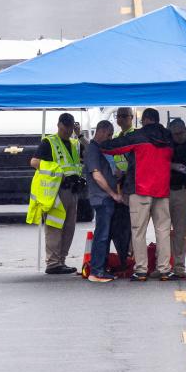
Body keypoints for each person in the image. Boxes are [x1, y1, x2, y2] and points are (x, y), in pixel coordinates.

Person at [101, 107, 174, 282]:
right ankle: (164, 269)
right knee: (163, 230)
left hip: (140, 189)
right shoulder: (168, 137)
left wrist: (100, 143)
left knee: (138, 230)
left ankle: (141, 270)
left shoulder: (139, 135)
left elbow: (114, 148)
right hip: (162, 190)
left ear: (145, 120)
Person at [29, 112, 83, 275]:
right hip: (56, 191)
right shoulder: (49, 142)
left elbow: (87, 154)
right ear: (58, 126)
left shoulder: (75, 143)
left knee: (69, 228)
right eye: (64, 127)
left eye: (69, 128)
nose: (66, 131)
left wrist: (79, 135)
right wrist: (56, 170)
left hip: (72, 190)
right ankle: (53, 262)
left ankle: (61, 261)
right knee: (54, 226)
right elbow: (34, 162)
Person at [84, 120, 123, 283]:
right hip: (102, 198)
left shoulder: (100, 150)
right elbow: (97, 175)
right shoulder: (92, 150)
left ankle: (101, 268)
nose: (109, 138)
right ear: (99, 131)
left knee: (105, 235)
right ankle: (97, 271)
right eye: (108, 134)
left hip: (105, 198)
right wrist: (113, 194)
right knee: (101, 235)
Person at [168, 117, 186, 276]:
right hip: (165, 191)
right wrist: (172, 166)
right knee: (163, 230)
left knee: (180, 231)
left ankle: (178, 267)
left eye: (180, 133)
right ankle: (164, 265)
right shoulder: (166, 145)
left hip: (184, 191)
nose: (177, 136)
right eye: (174, 134)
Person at [110, 107, 134, 268]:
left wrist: (124, 172)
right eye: (118, 116)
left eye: (124, 116)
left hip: (131, 184)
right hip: (119, 186)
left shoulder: (134, 136)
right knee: (121, 225)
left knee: (132, 225)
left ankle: (131, 257)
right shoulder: (118, 137)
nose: (121, 119)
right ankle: (124, 257)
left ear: (131, 118)